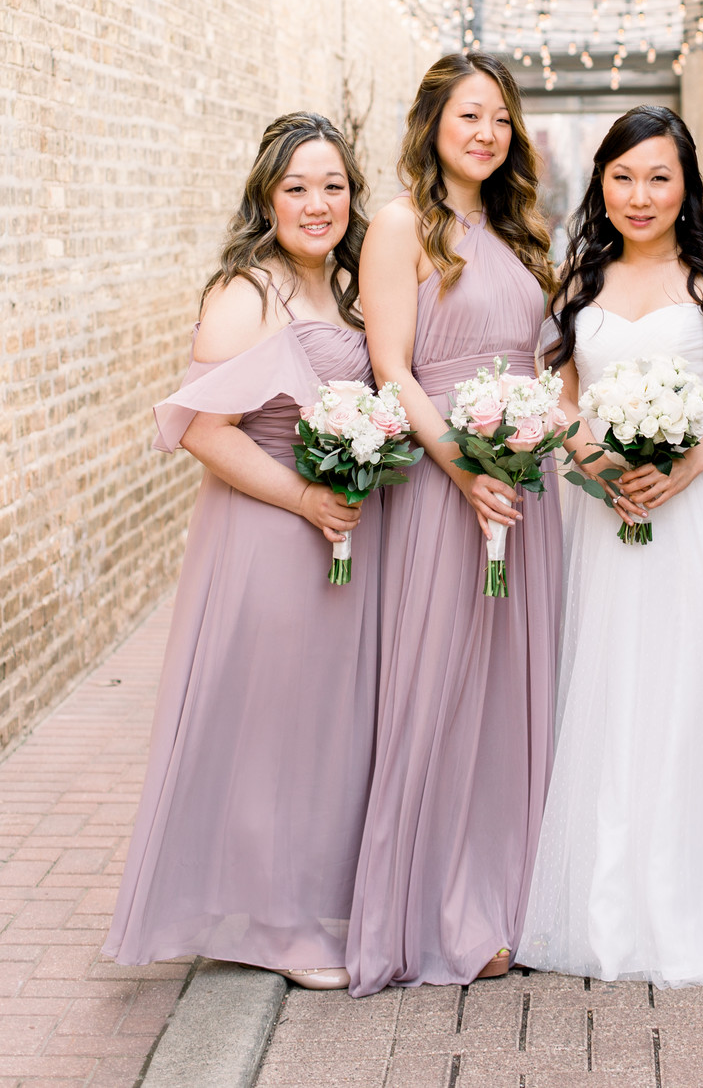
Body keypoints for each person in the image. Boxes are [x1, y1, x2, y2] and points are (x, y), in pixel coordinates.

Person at [517, 106, 703, 987]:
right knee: (611, 688)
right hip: (604, 513)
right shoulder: (578, 280)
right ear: (602, 182)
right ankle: (605, 907)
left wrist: (683, 471)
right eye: (624, 177)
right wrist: (589, 453)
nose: (640, 196)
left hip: (700, 507)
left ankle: (702, 898)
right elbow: (555, 393)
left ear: (687, 188)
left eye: (659, 178)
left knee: (694, 688)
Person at [104, 113, 379, 990]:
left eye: (332, 185)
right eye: (297, 186)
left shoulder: (344, 289)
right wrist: (303, 496)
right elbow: (201, 429)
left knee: (321, 723)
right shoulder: (247, 292)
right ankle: (275, 923)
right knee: (272, 726)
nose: (317, 202)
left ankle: (304, 899)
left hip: (333, 534)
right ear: (267, 196)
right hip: (270, 535)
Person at [346, 52, 562, 996]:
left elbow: (548, 362)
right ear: (432, 120)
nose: (486, 133)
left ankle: (519, 896)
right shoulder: (401, 227)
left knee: (520, 692)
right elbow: (391, 364)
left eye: (502, 120)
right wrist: (463, 469)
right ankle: (435, 909)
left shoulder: (518, 230)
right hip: (448, 488)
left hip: (527, 485)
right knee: (442, 689)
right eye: (471, 115)